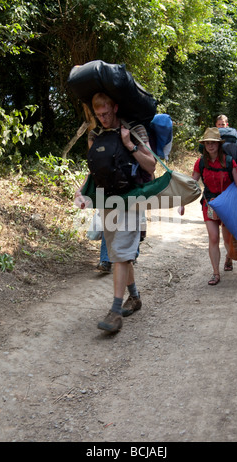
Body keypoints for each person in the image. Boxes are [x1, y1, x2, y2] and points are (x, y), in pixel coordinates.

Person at [75, 92, 156, 333]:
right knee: (118, 252)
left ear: (116, 108)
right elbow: (94, 170)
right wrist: (81, 191)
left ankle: (115, 311)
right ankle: (135, 297)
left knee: (121, 253)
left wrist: (129, 144)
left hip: (131, 198)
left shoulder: (135, 129)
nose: (103, 119)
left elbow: (151, 165)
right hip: (106, 200)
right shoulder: (94, 135)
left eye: (106, 113)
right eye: (98, 115)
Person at [191, 127, 237, 286]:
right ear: (204, 145)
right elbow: (191, 183)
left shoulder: (229, 161)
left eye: (213, 143)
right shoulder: (200, 162)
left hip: (228, 204)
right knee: (214, 237)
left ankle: (229, 257)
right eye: (207, 143)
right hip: (209, 204)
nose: (210, 146)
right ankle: (216, 273)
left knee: (228, 238)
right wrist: (182, 202)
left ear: (218, 144)